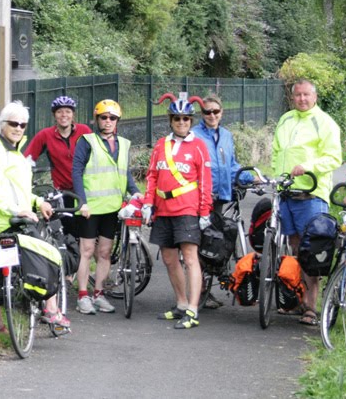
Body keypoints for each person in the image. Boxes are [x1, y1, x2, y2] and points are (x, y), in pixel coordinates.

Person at [0, 100, 71, 332]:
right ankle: (52, 310)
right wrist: (16, 210)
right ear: (2, 125)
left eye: (23, 125)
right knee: (46, 255)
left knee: (0, 271)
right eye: (13, 124)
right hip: (7, 220)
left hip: (15, 217)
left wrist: (38, 201)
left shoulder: (14, 152)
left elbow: (18, 191)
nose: (19, 128)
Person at [271, 79, 343, 326]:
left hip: (311, 195)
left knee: (312, 251)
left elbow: (334, 157)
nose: (302, 99)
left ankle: (312, 308)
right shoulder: (286, 119)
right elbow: (278, 153)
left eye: (306, 95)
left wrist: (308, 167)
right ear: (292, 97)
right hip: (286, 194)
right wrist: (275, 179)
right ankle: (298, 299)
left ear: (315, 96)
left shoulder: (324, 122)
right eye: (298, 95)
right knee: (294, 247)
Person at [142, 95, 213, 329]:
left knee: (191, 259)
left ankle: (193, 310)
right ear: (170, 120)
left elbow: (205, 181)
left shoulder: (199, 147)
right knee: (170, 259)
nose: (181, 122)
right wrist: (147, 203)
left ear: (190, 120)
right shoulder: (161, 145)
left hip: (187, 210)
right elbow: (152, 176)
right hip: (163, 211)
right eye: (177, 118)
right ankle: (181, 303)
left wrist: (204, 212)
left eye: (185, 118)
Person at [71, 99, 140, 315]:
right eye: (104, 117)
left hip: (112, 208)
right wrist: (81, 201)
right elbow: (77, 171)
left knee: (105, 253)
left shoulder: (124, 144)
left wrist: (135, 191)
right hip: (90, 208)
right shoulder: (87, 141)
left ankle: (98, 293)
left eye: (112, 118)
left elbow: (124, 172)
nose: (108, 121)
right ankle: (83, 295)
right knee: (86, 251)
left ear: (117, 120)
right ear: (97, 119)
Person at [24, 95, 92, 237]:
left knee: (88, 231)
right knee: (69, 232)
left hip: (86, 188)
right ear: (54, 115)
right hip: (63, 191)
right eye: (59, 111)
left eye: (68, 111)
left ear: (73, 114)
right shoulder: (45, 135)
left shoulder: (84, 131)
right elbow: (28, 158)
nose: (64, 115)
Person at [192, 94, 259, 217]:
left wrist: (251, 178)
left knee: (214, 233)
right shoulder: (194, 135)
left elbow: (231, 166)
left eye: (216, 111)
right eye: (207, 112)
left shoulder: (226, 136)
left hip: (219, 195)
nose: (212, 115)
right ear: (202, 114)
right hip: (199, 196)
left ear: (221, 112)